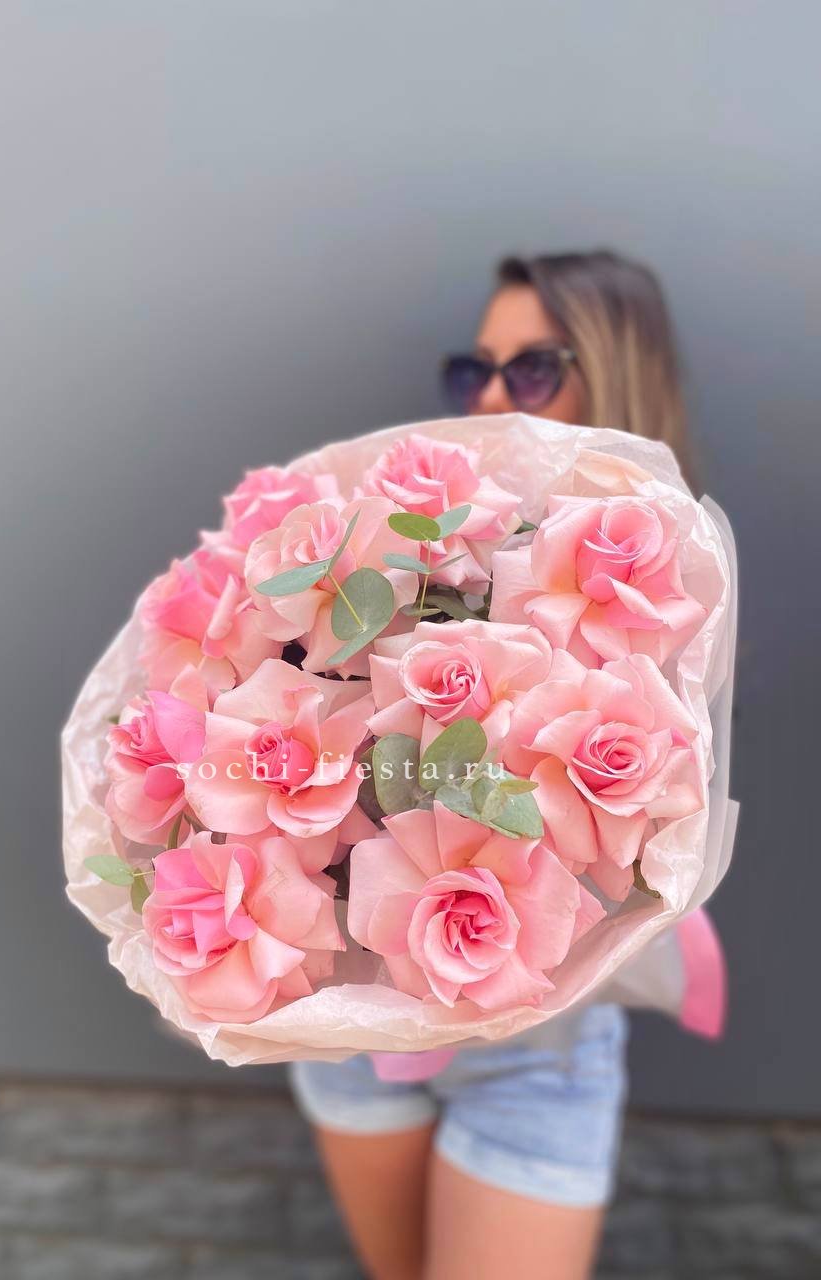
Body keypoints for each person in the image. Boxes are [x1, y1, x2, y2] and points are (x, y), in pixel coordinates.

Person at [288, 249, 692, 1280]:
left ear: (612, 370)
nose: (495, 396)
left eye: (535, 366)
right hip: (364, 1023)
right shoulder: (414, 552)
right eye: (476, 369)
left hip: (538, 1049)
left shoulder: (678, 579)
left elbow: (661, 826)